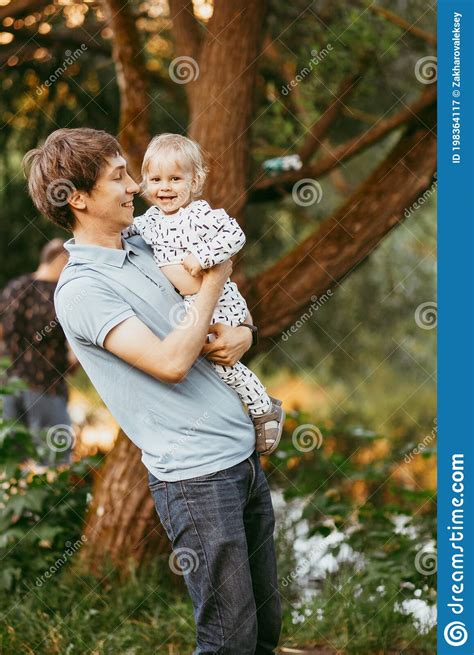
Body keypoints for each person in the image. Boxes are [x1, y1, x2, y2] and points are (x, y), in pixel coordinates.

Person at [23, 128, 282, 655]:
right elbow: (170, 362)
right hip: (196, 477)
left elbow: (222, 318)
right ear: (77, 198)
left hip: (242, 460)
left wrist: (243, 333)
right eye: (119, 177)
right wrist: (215, 276)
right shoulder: (82, 290)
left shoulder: (147, 240)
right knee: (228, 641)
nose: (135, 187)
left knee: (263, 631)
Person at [126, 133, 285, 454]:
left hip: (220, 300)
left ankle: (263, 407)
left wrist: (204, 256)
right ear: (144, 183)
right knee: (198, 359)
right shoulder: (150, 222)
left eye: (175, 178)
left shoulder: (199, 215)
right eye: (155, 180)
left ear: (194, 180)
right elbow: (124, 231)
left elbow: (234, 235)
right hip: (191, 305)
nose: (165, 188)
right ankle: (229, 418)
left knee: (222, 363)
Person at [0, 238, 75, 466]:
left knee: (11, 464)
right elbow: (75, 350)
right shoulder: (61, 295)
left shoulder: (15, 287)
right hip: (46, 386)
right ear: (62, 260)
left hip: (8, 385)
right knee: (54, 462)